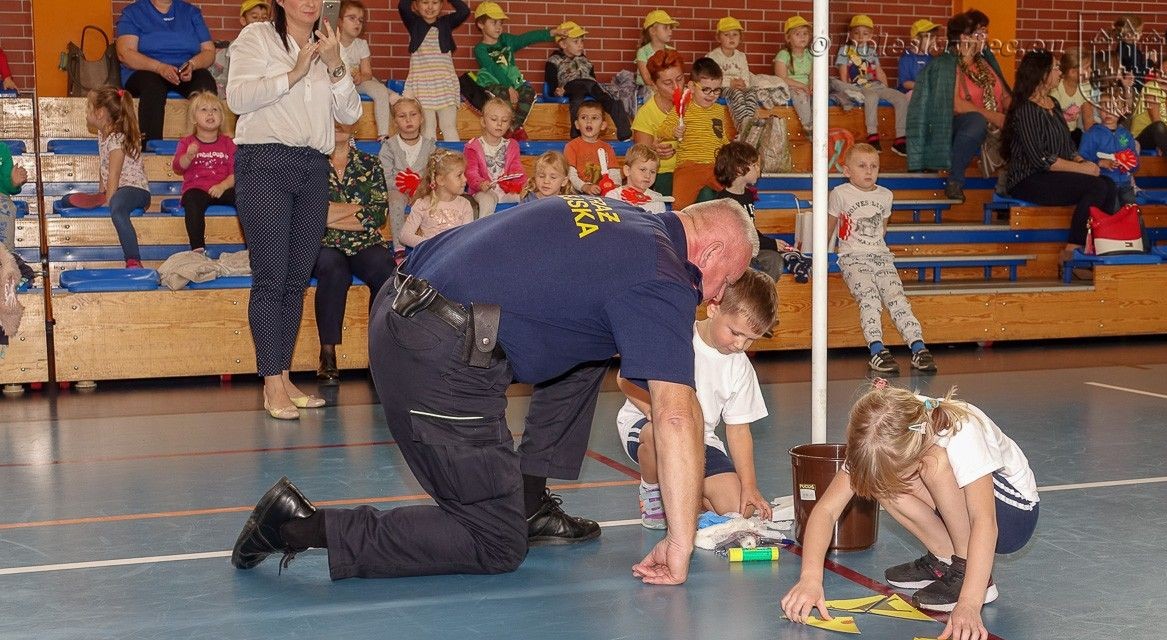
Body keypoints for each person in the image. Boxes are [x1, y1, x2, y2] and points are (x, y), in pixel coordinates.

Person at [229, 197, 759, 586]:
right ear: (710, 251)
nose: (714, 297)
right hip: (435, 357)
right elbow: (674, 417)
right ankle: (296, 527)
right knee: (496, 543)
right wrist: (681, 541)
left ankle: (527, 503)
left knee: (594, 342)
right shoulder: (662, 274)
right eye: (725, 281)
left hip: (407, 305)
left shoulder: (626, 219)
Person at [780, 381, 1040, 640]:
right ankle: (944, 559)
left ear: (913, 450)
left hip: (1013, 514)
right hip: (968, 506)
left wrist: (969, 604)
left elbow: (984, 521)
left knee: (934, 464)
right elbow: (826, 509)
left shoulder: (961, 431)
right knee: (878, 480)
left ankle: (970, 573)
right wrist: (810, 577)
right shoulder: (876, 435)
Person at [226, 1, 362, 420]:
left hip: (312, 166)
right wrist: (295, 73)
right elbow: (236, 97)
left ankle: (283, 375)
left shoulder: (329, 45)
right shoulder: (257, 37)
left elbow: (351, 114)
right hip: (265, 162)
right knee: (270, 277)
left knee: (296, 279)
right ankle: (271, 383)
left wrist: (336, 64)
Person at [617, 269, 776, 528]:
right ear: (713, 307)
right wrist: (654, 411)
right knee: (662, 433)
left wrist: (750, 486)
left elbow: (738, 430)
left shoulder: (740, 367)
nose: (740, 345)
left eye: (750, 339)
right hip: (647, 426)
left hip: (700, 439)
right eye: (735, 332)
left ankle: (692, 495)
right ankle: (652, 489)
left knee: (739, 512)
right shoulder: (676, 338)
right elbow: (624, 380)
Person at [1000, 51, 1118, 270]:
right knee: (1096, 187)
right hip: (1028, 178)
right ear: (1042, 74)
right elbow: (1041, 159)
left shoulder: (1053, 103)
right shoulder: (1026, 109)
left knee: (1108, 184)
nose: (1059, 71)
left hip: (1053, 173)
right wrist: (1081, 170)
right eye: (1055, 68)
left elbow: (1067, 146)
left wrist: (1085, 162)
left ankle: (1098, 245)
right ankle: (1072, 252)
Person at [831, 143, 937, 374]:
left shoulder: (885, 195)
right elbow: (830, 227)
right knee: (869, 298)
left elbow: (882, 229)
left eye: (873, 166)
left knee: (897, 298)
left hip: (881, 257)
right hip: (853, 257)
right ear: (847, 170)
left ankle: (918, 347)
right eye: (861, 166)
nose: (868, 171)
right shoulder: (840, 194)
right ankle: (877, 349)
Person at [313, 122, 393, 386]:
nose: (337, 125)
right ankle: (328, 355)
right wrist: (355, 209)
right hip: (324, 243)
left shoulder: (370, 163)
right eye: (331, 118)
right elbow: (312, 215)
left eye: (343, 119)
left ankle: (378, 355)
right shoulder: (311, 162)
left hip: (365, 241)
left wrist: (331, 212)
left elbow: (378, 214)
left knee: (385, 269)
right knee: (333, 270)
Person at [907, 10, 1010, 201]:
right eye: (980, 33)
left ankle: (1010, 187)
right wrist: (993, 116)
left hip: (992, 125)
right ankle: (955, 180)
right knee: (976, 120)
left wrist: (1015, 115)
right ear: (963, 37)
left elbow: (1005, 96)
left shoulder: (986, 62)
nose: (985, 38)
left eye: (986, 33)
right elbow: (955, 105)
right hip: (953, 126)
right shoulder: (947, 64)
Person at [116, 0, 218, 142]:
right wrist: (159, 67)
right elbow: (125, 53)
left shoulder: (191, 12)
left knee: (205, 82)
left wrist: (192, 65)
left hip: (183, 69)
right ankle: (150, 144)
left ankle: (207, 143)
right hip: (145, 70)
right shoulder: (133, 12)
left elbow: (209, 51)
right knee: (153, 86)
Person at [471, 2, 564, 136]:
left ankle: (514, 127)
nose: (498, 27)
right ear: (481, 24)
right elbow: (493, 68)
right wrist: (509, 87)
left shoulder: (506, 40)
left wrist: (551, 33)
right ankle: (504, 127)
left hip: (513, 84)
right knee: (503, 95)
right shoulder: (480, 49)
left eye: (500, 23)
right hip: (492, 84)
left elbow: (526, 38)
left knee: (528, 91)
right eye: (494, 22)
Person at [657, 57, 735, 209]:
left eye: (716, 90)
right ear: (692, 86)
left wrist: (731, 151)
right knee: (679, 208)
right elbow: (662, 130)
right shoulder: (683, 108)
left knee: (734, 195)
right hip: (688, 167)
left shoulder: (719, 111)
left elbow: (722, 137)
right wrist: (674, 131)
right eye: (705, 89)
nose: (711, 94)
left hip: (715, 167)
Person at [87, 87, 151, 269]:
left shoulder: (117, 138)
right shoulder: (102, 134)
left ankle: (133, 260)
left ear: (99, 113)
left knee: (117, 207)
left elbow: (114, 173)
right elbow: (104, 167)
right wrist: (101, 192)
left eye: (88, 109)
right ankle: (111, 199)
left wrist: (108, 199)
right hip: (119, 189)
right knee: (71, 200)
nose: (86, 113)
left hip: (136, 190)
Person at [712, 141, 789, 280]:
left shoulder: (747, 196)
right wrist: (771, 244)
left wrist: (772, 243)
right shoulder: (724, 202)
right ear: (739, 170)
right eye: (755, 165)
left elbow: (751, 230)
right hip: (733, 255)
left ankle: (762, 297)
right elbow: (739, 237)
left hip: (750, 250)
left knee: (774, 260)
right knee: (747, 265)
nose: (759, 170)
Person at [545, 21, 632, 141]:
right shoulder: (554, 60)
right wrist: (556, 89)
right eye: (576, 42)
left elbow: (592, 77)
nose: (580, 45)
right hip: (570, 86)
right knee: (578, 98)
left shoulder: (585, 60)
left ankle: (625, 134)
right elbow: (550, 79)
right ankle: (576, 134)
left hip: (590, 84)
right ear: (563, 44)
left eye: (582, 41)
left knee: (611, 99)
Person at [835, 14, 909, 156]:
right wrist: (847, 89)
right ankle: (872, 136)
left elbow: (879, 71)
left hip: (876, 85)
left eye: (865, 33)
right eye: (856, 33)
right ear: (850, 35)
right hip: (858, 87)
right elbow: (843, 72)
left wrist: (886, 88)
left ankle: (900, 139)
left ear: (871, 36)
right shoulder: (845, 51)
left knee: (900, 97)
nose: (860, 37)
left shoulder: (871, 52)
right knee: (872, 96)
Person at [172, 90, 236, 253]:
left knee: (245, 196)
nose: (210, 113)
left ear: (221, 117)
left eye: (215, 110)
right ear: (193, 118)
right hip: (198, 189)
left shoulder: (228, 143)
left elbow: (236, 173)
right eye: (204, 110)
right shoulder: (187, 142)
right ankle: (198, 249)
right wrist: (188, 156)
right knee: (191, 199)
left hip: (223, 187)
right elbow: (178, 167)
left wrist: (222, 186)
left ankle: (254, 247)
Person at [398, 0, 470, 141]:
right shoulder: (414, 23)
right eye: (425, 2)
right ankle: (428, 161)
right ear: (417, 5)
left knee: (449, 126)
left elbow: (464, 11)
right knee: (427, 128)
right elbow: (403, 6)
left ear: (442, 5)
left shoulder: (447, 22)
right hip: (423, 86)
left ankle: (453, 160)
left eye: (435, 2)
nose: (430, 7)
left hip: (444, 85)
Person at [379, 96, 436, 257]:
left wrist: (418, 190)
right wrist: (405, 187)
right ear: (395, 122)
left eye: (413, 115)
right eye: (402, 116)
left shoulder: (430, 146)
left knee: (431, 201)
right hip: (396, 190)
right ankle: (399, 247)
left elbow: (433, 174)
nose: (408, 120)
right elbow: (385, 177)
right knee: (395, 200)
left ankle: (428, 243)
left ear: (422, 118)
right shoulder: (389, 146)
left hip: (422, 190)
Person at [337, 1, 398, 142]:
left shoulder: (361, 44)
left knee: (378, 88)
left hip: (358, 83)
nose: (357, 23)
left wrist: (360, 77)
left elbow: (367, 73)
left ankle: (384, 134)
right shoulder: (333, 43)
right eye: (352, 18)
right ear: (339, 21)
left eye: (361, 20)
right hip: (339, 85)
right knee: (378, 86)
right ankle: (391, 94)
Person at [631, 49, 685, 196]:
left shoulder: (696, 103)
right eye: (668, 83)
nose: (676, 87)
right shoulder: (646, 114)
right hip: (663, 174)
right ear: (654, 86)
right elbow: (640, 158)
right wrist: (654, 151)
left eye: (680, 79)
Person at [399, 148, 474, 246]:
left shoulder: (464, 205)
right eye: (459, 175)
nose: (465, 179)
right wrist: (431, 245)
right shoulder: (423, 204)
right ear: (441, 180)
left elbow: (467, 237)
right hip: (431, 257)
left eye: (464, 174)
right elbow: (405, 236)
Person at [465, 96, 525, 216]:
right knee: (487, 201)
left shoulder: (512, 145)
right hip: (483, 191)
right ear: (483, 122)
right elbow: (471, 172)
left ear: (509, 124)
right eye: (494, 119)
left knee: (528, 197)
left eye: (504, 121)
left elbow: (517, 168)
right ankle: (483, 231)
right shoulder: (473, 146)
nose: (499, 124)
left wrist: (519, 185)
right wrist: (480, 183)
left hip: (506, 191)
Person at [1078, 92, 1138, 207]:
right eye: (1104, 108)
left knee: (1133, 217)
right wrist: (1100, 162)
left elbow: (1135, 163)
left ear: (1122, 110)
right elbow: (1082, 160)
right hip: (1105, 185)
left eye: (1114, 108)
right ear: (1098, 110)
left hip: (1126, 185)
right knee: (1113, 215)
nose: (1108, 112)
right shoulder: (1091, 134)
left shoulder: (1126, 135)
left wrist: (1128, 163)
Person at [212, 0, 272, 98]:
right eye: (255, 17)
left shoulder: (274, 48)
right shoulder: (229, 51)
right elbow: (219, 82)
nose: (260, 21)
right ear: (243, 21)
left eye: (264, 18)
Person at [706, 16, 758, 128]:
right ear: (718, 38)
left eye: (735, 34)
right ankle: (743, 127)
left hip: (739, 87)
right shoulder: (713, 56)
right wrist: (730, 84)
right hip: (720, 88)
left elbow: (745, 75)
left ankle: (750, 123)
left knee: (752, 93)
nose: (731, 38)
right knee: (737, 94)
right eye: (726, 35)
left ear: (740, 37)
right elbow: (712, 79)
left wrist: (744, 84)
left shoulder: (741, 56)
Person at [564, 101, 621, 195]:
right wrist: (584, 187)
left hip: (602, 195)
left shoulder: (607, 148)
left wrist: (615, 186)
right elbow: (570, 175)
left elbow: (614, 173)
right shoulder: (571, 146)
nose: (589, 121)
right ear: (577, 124)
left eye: (594, 118)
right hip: (577, 195)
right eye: (584, 117)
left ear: (603, 125)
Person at [1130, 57, 1167, 167]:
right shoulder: (1151, 87)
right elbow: (1156, 120)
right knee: (1159, 127)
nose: (1163, 77)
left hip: (1163, 138)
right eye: (1161, 73)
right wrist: (1162, 142)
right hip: (1141, 139)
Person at [775, 16, 814, 135]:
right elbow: (781, 77)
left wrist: (812, 84)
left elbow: (813, 73)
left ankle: (820, 124)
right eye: (798, 34)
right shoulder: (784, 54)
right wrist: (801, 86)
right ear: (788, 38)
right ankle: (808, 126)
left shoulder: (810, 54)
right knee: (801, 96)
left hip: (807, 85)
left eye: (805, 33)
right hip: (791, 86)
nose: (802, 37)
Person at [604, 143, 667, 213]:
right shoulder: (613, 196)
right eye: (643, 170)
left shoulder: (658, 199)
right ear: (627, 170)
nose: (648, 176)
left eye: (652, 172)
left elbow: (659, 223)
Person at [1052, 49, 1093, 146]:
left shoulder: (1085, 86)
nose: (1091, 70)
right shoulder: (1056, 88)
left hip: (1072, 132)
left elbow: (1088, 117)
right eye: (1087, 68)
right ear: (1073, 72)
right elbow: (1051, 119)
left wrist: (1093, 138)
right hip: (1056, 132)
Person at [635, 9, 677, 89]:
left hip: (665, 87)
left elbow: (675, 72)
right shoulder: (643, 52)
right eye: (665, 28)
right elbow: (647, 79)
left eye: (670, 28)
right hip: (646, 89)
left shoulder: (672, 51)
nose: (670, 31)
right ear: (653, 31)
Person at [899, 19, 941, 93]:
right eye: (930, 38)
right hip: (909, 95)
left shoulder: (932, 59)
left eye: (935, 39)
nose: (934, 42)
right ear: (916, 40)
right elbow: (905, 83)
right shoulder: (906, 58)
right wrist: (924, 86)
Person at [0, 140, 27, 248]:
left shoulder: (2, 149)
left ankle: (6, 256)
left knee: (5, 206)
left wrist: (14, 183)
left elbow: (7, 187)